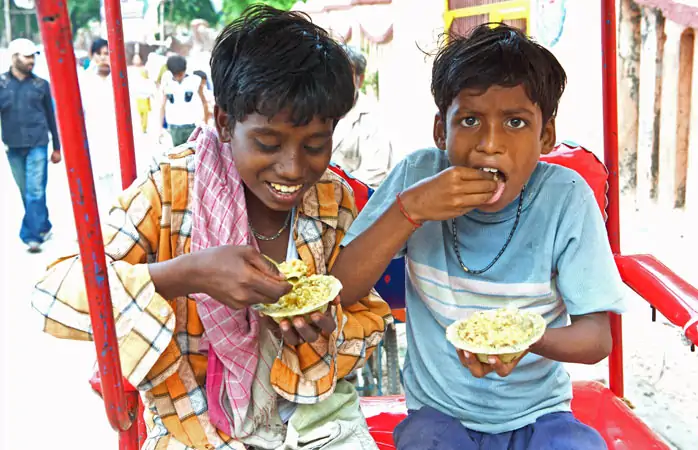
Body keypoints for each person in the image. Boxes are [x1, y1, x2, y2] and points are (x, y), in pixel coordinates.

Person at [32, 6, 390, 449]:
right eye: (268, 144)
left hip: (318, 421)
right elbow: (53, 292)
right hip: (191, 421)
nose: (293, 168)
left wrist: (324, 327)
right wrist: (185, 275)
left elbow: (369, 317)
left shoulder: (332, 196)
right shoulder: (171, 187)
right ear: (224, 123)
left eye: (315, 146)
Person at [332, 24, 626, 450]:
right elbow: (341, 288)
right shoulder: (417, 177)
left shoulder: (565, 199)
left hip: (540, 414)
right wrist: (410, 210)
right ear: (440, 131)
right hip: (438, 414)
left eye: (515, 122)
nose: (490, 144)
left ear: (545, 135)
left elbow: (596, 339)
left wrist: (526, 341)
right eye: (469, 120)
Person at [0, 38, 61, 253]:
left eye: (33, 56)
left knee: (35, 190)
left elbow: (52, 116)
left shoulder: (41, 85)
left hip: (38, 144)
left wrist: (57, 146)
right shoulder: (1, 84)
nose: (31, 61)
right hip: (12, 146)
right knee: (26, 190)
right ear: (14, 57)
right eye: (27, 56)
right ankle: (43, 225)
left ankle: (31, 236)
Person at [331, 45, 392, 189]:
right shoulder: (315, 108)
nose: (338, 81)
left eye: (346, 74)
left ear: (361, 79)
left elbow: (374, 175)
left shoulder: (374, 117)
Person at [79, 38, 122, 220]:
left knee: (119, 181)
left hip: (117, 137)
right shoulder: (85, 80)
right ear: (93, 55)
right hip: (94, 135)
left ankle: (118, 219)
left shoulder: (120, 79)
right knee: (98, 180)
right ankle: (103, 221)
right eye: (100, 54)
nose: (104, 58)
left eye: (108, 54)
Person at [159, 55, 211, 146]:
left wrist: (205, 123)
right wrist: (160, 128)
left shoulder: (195, 81)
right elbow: (162, 106)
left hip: (191, 126)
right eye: (176, 75)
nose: (178, 77)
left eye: (180, 74)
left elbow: (204, 102)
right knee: (178, 154)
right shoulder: (167, 83)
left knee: (193, 154)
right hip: (174, 127)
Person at [129, 53, 155, 134]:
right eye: (135, 58)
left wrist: (151, 92)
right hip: (135, 95)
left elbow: (148, 81)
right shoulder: (130, 69)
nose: (136, 60)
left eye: (138, 58)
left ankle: (144, 127)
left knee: (145, 111)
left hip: (144, 94)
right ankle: (139, 127)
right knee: (138, 111)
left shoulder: (144, 69)